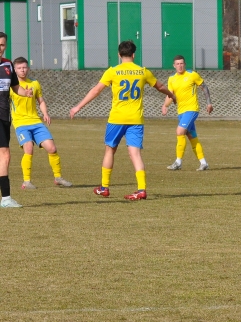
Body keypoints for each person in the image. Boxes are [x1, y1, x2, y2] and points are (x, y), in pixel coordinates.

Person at [69, 40, 175, 200]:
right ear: (134, 55)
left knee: (110, 150)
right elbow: (160, 87)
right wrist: (171, 95)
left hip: (117, 118)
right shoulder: (143, 71)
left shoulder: (113, 71)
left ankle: (104, 187)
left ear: (119, 55)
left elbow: (96, 90)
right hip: (136, 119)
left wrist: (78, 107)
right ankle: (141, 189)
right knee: (135, 154)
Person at [11, 57, 72, 190]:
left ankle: (58, 177)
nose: (22, 70)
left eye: (24, 67)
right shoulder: (12, 86)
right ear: (14, 70)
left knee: (52, 148)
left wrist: (45, 113)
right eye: (19, 68)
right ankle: (26, 181)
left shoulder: (35, 83)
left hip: (36, 122)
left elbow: (41, 101)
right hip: (20, 123)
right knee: (29, 148)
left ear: (28, 68)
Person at [162, 55, 212, 171]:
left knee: (179, 131)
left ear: (184, 64)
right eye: (177, 64)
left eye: (181, 63)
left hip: (192, 109)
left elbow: (204, 87)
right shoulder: (171, 79)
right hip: (181, 112)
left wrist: (209, 103)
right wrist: (165, 105)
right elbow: (170, 95)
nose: (180, 66)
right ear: (174, 66)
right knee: (191, 136)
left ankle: (178, 162)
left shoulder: (192, 74)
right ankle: (203, 163)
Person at [0, 32, 33, 208]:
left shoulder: (8, 65)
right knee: (4, 154)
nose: (0, 48)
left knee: (4, 155)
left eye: (2, 45)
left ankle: (5, 199)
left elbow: (15, 87)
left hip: (4, 116)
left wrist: (25, 93)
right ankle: (6, 198)